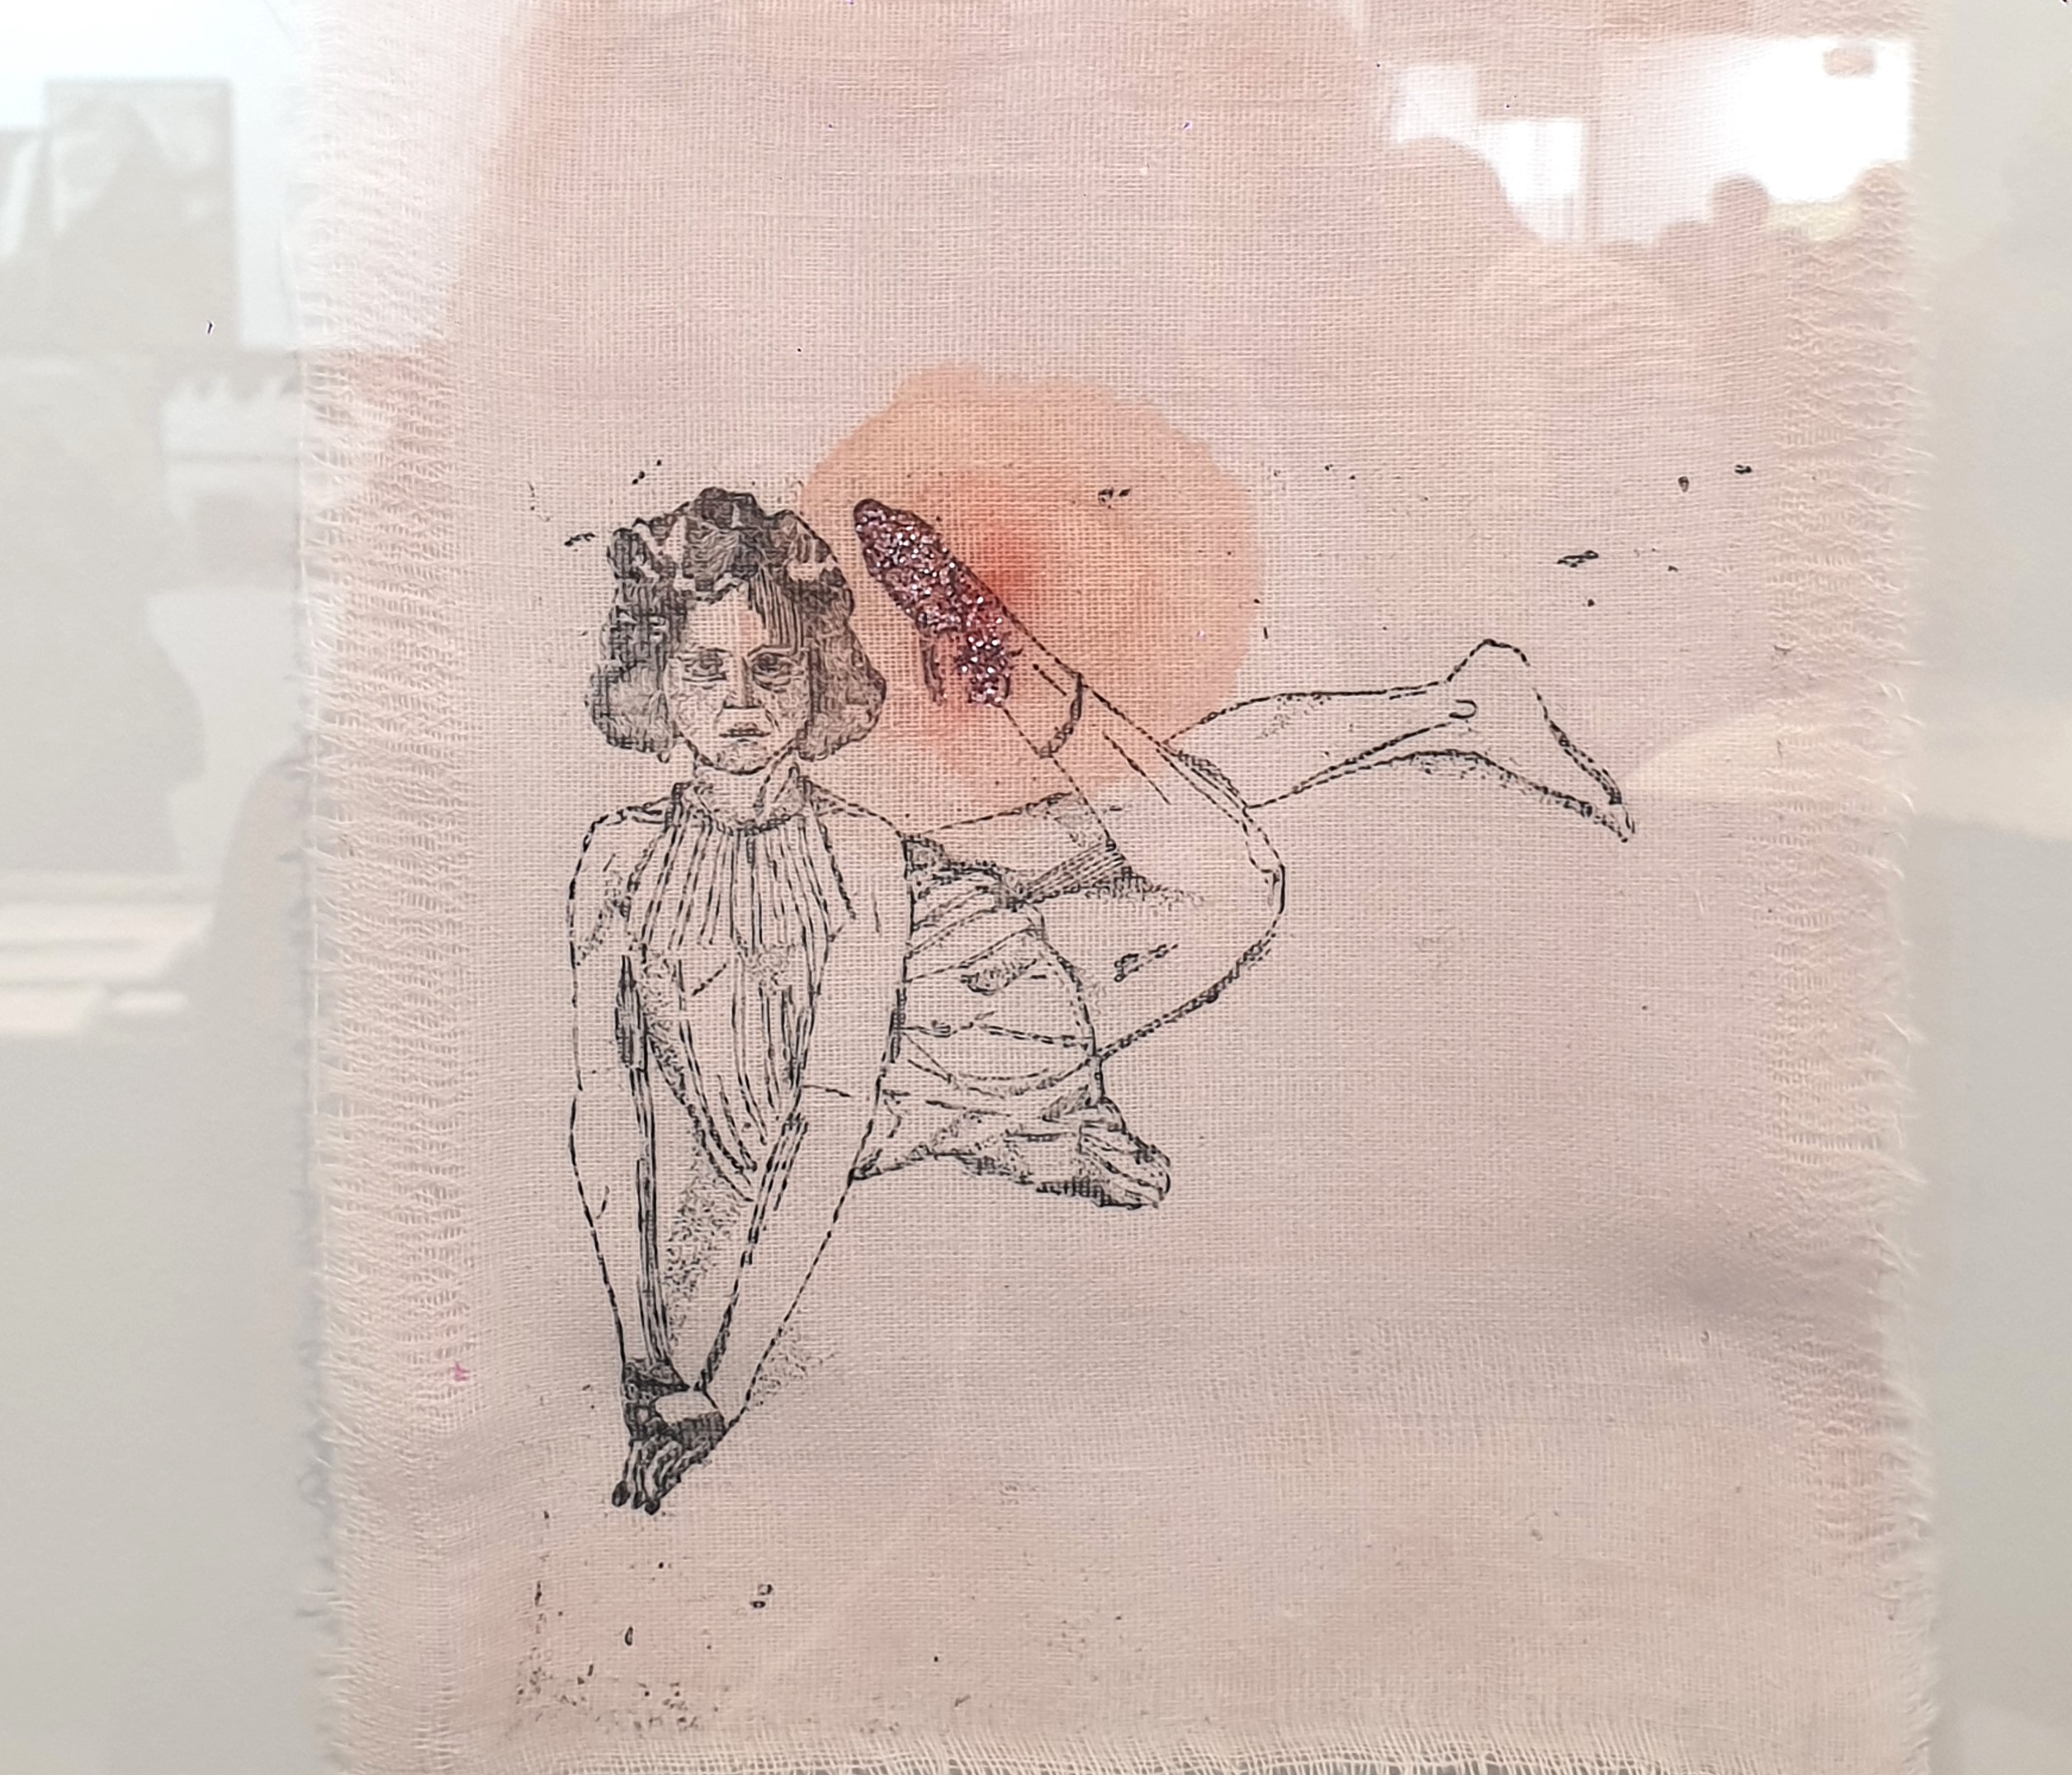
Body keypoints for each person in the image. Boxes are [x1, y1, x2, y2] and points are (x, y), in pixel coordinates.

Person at [571, 485, 1630, 1512]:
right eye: (705, 668)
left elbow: (827, 1120)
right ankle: (1455, 702)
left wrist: (719, 1385)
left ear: (816, 677)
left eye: (771, 666)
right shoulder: (616, 860)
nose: (742, 700)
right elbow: (607, 1116)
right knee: (1147, 806)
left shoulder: (855, 855)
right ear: (655, 677)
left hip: (954, 1004)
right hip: (889, 996)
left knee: (1225, 885)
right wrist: (645, 1359)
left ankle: (1041, 676)